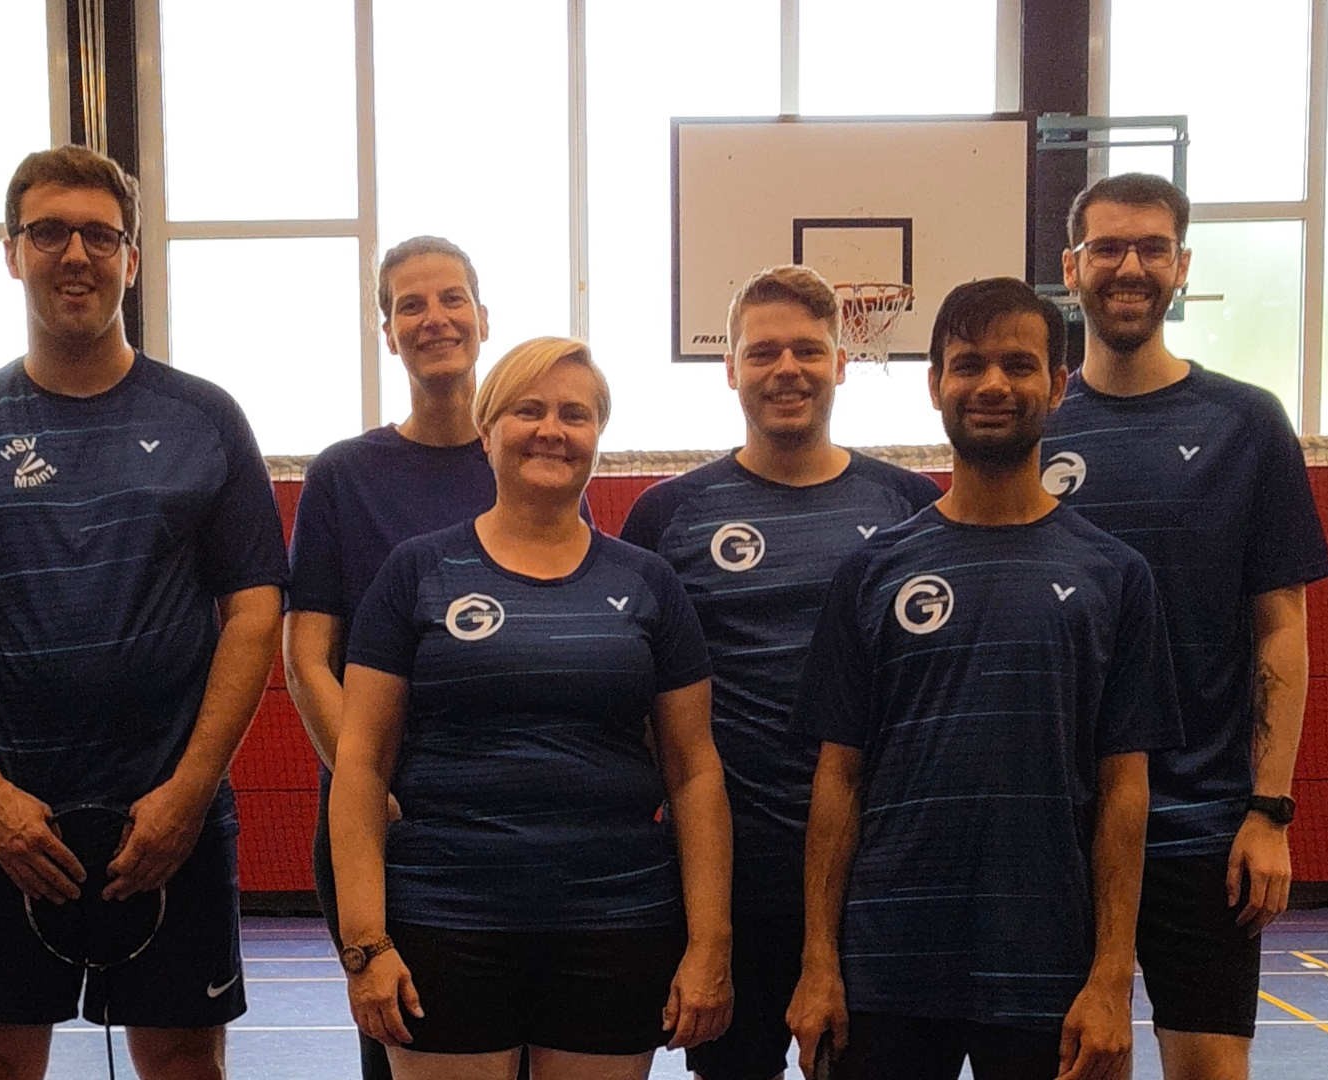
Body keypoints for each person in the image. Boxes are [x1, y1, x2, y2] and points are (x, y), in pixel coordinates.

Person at [0, 145, 287, 1080]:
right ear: (11, 252)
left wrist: (186, 796)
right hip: (4, 825)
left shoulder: (207, 419)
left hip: (169, 820)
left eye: (101, 235)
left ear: (132, 258)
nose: (76, 255)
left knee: (185, 1062)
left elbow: (255, 614)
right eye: (50, 231)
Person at [785, 278, 1182, 1080]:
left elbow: (1125, 793)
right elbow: (839, 779)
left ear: (1057, 386)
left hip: (1047, 970)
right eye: (968, 365)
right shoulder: (871, 572)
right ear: (936, 385)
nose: (993, 384)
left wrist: (1112, 979)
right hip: (884, 971)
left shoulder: (1117, 576)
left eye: (1018, 364)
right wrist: (819, 962)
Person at [330, 337, 734, 1080]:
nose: (552, 429)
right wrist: (367, 943)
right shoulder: (416, 572)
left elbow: (694, 772)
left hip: (616, 922)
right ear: (487, 433)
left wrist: (710, 944)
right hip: (446, 919)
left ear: (597, 440)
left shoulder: (647, 583)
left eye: (575, 414)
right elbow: (359, 765)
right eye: (528, 410)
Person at [620, 264, 941, 1080]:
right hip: (731, 883)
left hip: (877, 878)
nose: (786, 369)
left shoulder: (911, 505)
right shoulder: (668, 515)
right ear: (729, 368)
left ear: (841, 362)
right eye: (763, 352)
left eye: (808, 349)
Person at [1046, 173, 1328, 1080]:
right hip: (1059, 825)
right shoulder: (1032, 425)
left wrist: (1269, 810)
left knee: (1210, 1067)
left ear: (1181, 267)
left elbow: (1281, 628)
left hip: (1203, 827)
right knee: (1082, 1064)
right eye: (1107, 248)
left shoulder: (1246, 422)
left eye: (1152, 248)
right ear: (1072, 267)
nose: (1129, 267)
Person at [286, 235, 578, 1080]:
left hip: (518, 834)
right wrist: (373, 792)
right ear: (388, 331)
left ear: (484, 319)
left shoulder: (535, 459)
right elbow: (309, 658)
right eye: (410, 305)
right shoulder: (345, 474)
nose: (434, 318)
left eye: (451, 299)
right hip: (387, 835)